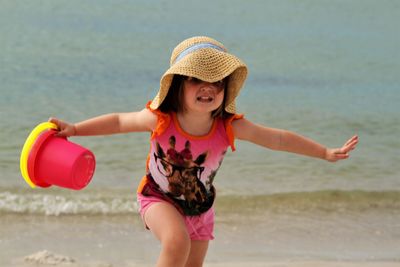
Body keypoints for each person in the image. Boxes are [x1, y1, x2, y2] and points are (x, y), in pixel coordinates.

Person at [49, 36, 358, 267]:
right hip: (158, 197)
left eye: (217, 82)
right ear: (177, 86)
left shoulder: (228, 126)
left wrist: (324, 153)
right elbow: (118, 121)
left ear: (225, 91)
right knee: (175, 242)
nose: (207, 87)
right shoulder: (161, 119)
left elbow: (277, 139)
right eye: (196, 79)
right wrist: (75, 129)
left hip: (201, 208)